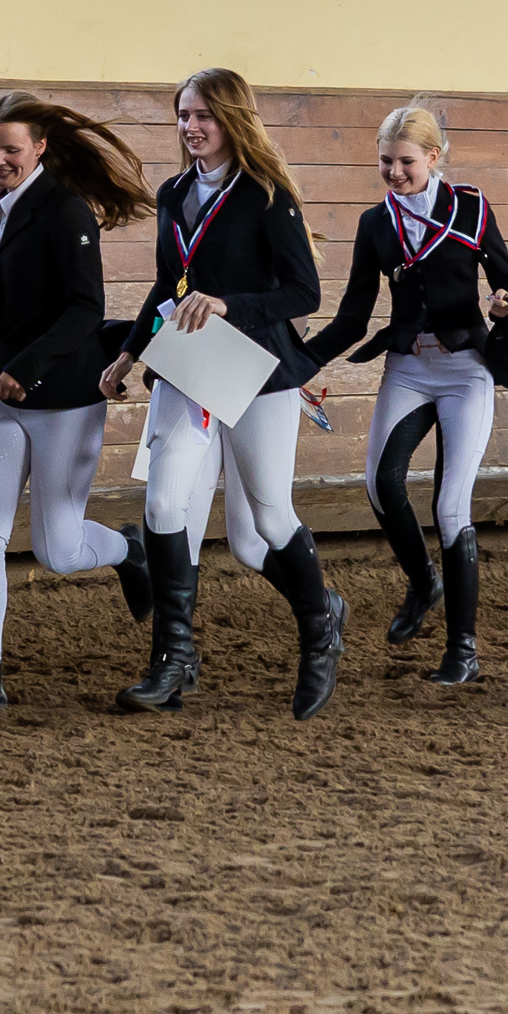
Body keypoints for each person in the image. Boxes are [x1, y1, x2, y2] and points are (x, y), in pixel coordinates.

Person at [101, 68, 345, 720]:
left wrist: (228, 304)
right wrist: (128, 351)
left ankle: (321, 629)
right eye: (183, 114)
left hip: (257, 372)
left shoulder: (267, 195)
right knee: (162, 501)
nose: (191, 126)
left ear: (232, 118)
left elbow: (303, 292)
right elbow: (168, 285)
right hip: (186, 366)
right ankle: (172, 659)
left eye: (203, 114)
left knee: (266, 520)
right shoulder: (174, 191)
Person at [0, 93, 158, 710]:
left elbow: (85, 309)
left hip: (66, 395)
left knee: (59, 551)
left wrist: (29, 365)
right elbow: (4, 306)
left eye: (10, 150)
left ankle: (128, 549)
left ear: (41, 147)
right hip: (1, 390)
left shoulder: (66, 210)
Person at [302, 101, 508, 686]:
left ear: (433, 156)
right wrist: (298, 362)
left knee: (450, 508)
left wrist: (507, 303)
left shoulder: (470, 207)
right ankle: (424, 581)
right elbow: (353, 317)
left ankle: (463, 650)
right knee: (380, 483)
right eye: (385, 161)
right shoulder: (376, 223)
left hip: (465, 366)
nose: (394, 172)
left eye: (405, 162)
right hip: (406, 363)